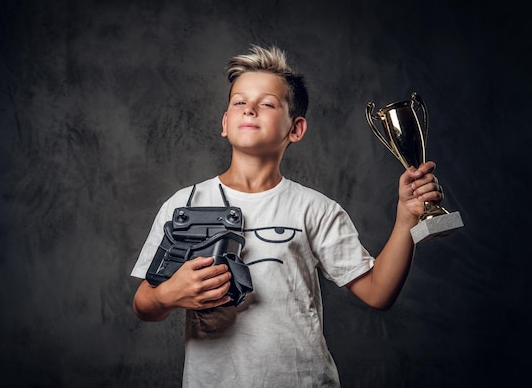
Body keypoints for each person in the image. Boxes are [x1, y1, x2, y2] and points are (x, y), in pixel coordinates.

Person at [130, 44, 445, 387]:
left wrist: (405, 220)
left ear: (296, 129)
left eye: (266, 103)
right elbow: (145, 303)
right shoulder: (183, 204)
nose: (249, 109)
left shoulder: (316, 208)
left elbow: (378, 292)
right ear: (225, 122)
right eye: (239, 101)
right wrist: (168, 295)